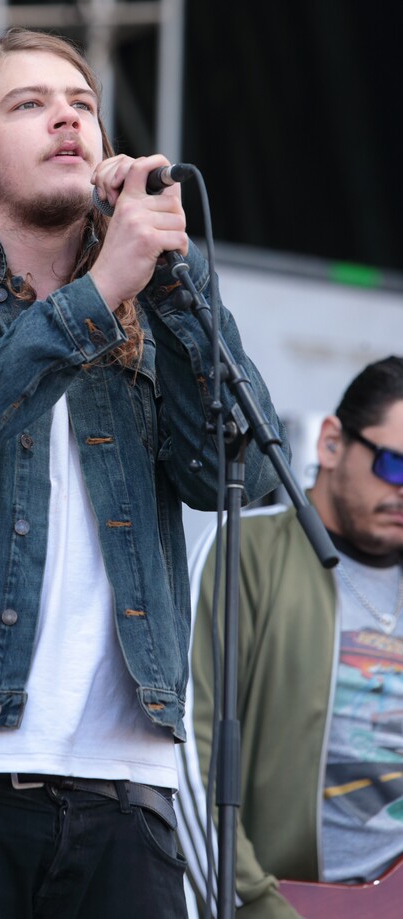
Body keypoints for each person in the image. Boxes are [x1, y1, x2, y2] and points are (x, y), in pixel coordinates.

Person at [0, 27, 286, 919]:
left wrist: (173, 285)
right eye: (28, 104)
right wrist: (95, 296)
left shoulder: (150, 309)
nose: (66, 118)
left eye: (83, 106)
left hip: (124, 779)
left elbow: (247, 472)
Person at [176, 356, 403, 918]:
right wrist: (252, 902)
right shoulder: (246, 549)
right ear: (331, 443)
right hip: (288, 900)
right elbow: (184, 745)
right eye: (394, 465)